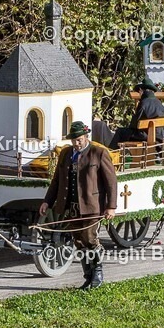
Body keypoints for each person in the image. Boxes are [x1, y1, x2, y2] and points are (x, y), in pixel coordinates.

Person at [41, 121, 117, 289]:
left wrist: (111, 206)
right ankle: (88, 275)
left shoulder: (99, 153)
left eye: (79, 140)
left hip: (92, 206)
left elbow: (111, 182)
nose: (76, 143)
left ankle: (97, 273)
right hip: (72, 206)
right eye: (73, 140)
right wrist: (47, 201)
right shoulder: (66, 154)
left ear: (86, 137)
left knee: (90, 238)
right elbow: (57, 180)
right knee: (79, 241)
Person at [109, 77, 164, 149]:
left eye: (139, 92)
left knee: (120, 132)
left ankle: (111, 153)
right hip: (160, 135)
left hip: (147, 135)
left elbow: (135, 124)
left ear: (141, 90)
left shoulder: (143, 103)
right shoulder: (159, 103)